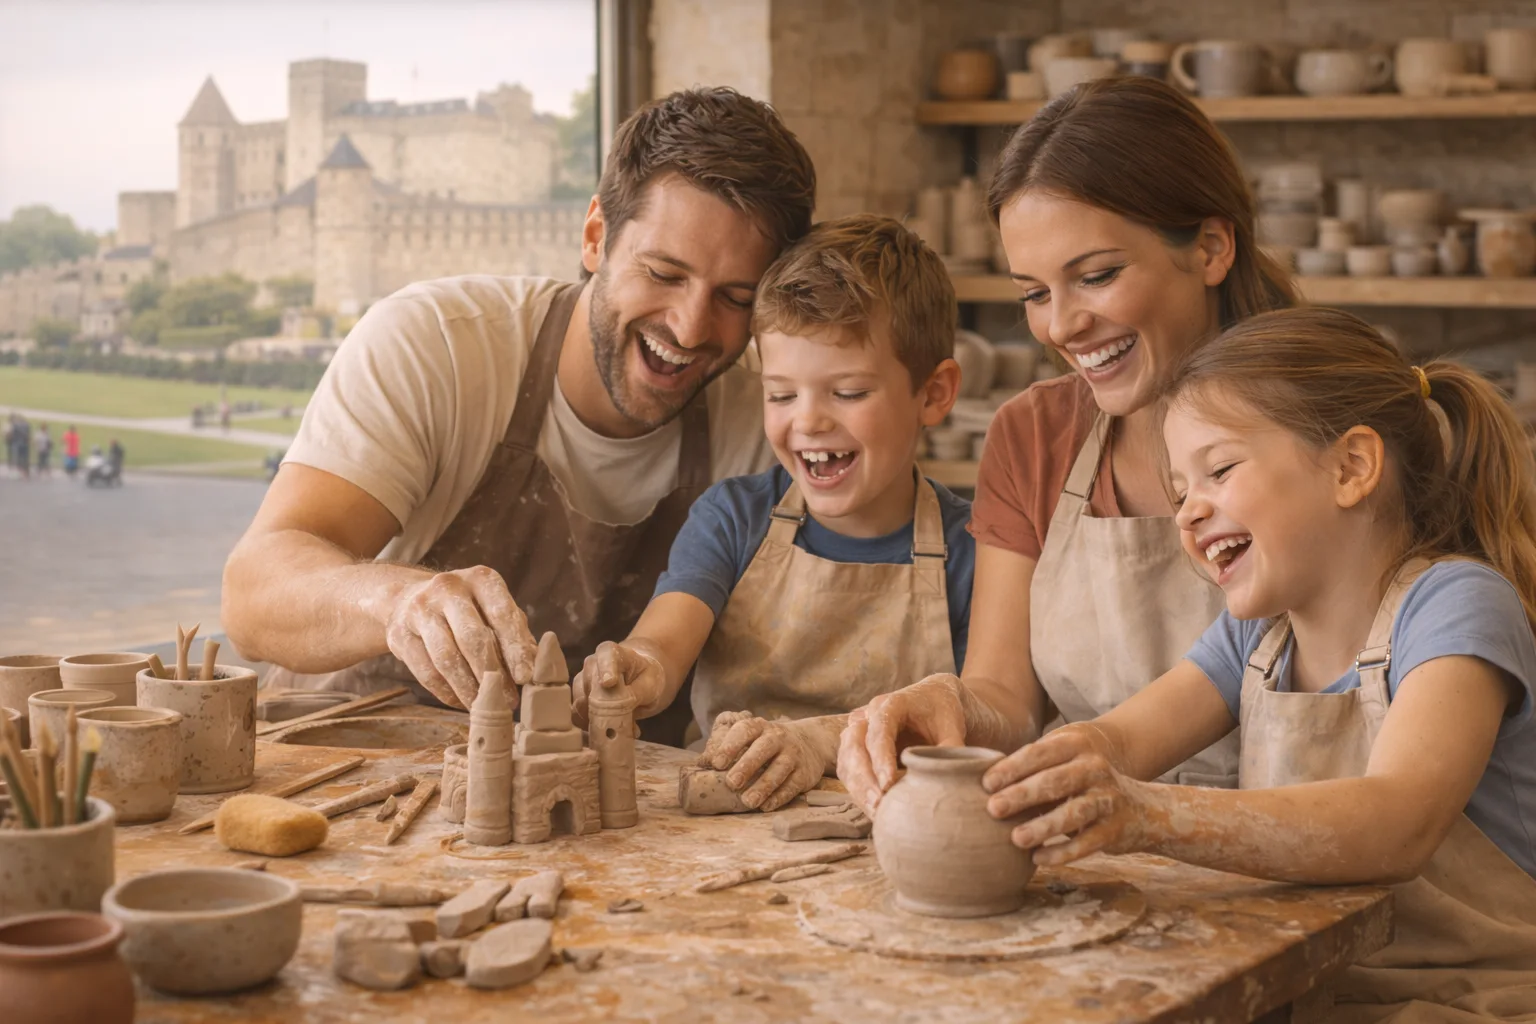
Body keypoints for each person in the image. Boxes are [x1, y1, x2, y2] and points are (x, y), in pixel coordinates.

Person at [974, 307, 1536, 1019]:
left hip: (1473, 1002)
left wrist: (1147, 814)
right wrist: (1042, 778)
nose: (1186, 513)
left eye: (1220, 471)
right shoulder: (1258, 639)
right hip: (1315, 992)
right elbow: (1121, 739)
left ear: (1351, 467)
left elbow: (1399, 821)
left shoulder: (1455, 605)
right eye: (1181, 490)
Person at [222, 88, 817, 734]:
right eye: (664, 274)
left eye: (734, 298)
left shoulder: (769, 419)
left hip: (599, 809)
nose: (690, 326)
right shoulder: (435, 345)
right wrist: (396, 601)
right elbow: (252, 595)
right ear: (596, 238)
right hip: (349, 766)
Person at [838, 76, 1296, 807]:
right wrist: (946, 704)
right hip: (1107, 851)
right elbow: (1006, 699)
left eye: (1096, 276)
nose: (1060, 326)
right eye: (1034, 293)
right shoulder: (1034, 436)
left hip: (1317, 860)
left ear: (1210, 247)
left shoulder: (1321, 426)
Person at [573, 215, 973, 808]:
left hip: (897, 833)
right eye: (781, 394)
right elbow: (665, 641)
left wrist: (817, 742)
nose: (808, 421)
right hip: (725, 823)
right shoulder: (732, 520)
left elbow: (966, 726)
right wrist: (637, 668)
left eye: (849, 393)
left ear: (933, 394)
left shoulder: (972, 548)